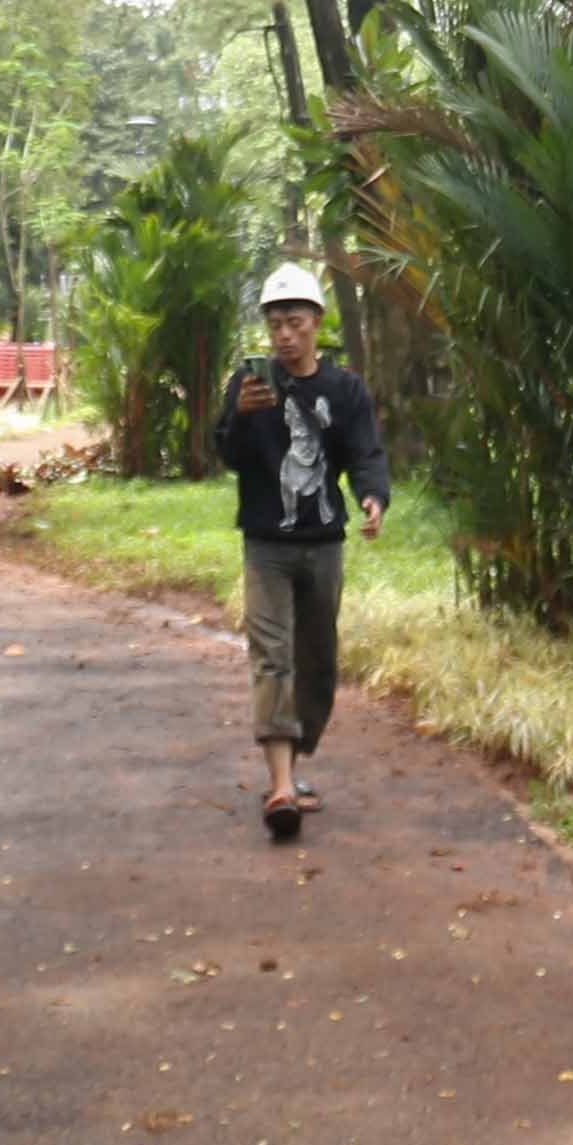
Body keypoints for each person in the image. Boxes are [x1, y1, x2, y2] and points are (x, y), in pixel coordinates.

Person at [215, 260, 385, 838]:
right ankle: (281, 785)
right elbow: (229, 456)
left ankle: (296, 759)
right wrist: (241, 418)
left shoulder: (344, 389)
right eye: (275, 324)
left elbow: (365, 452)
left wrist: (372, 498)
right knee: (272, 656)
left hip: (323, 545)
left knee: (318, 661)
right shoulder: (248, 386)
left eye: (294, 322)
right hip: (266, 543)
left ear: (317, 322)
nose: (284, 335)